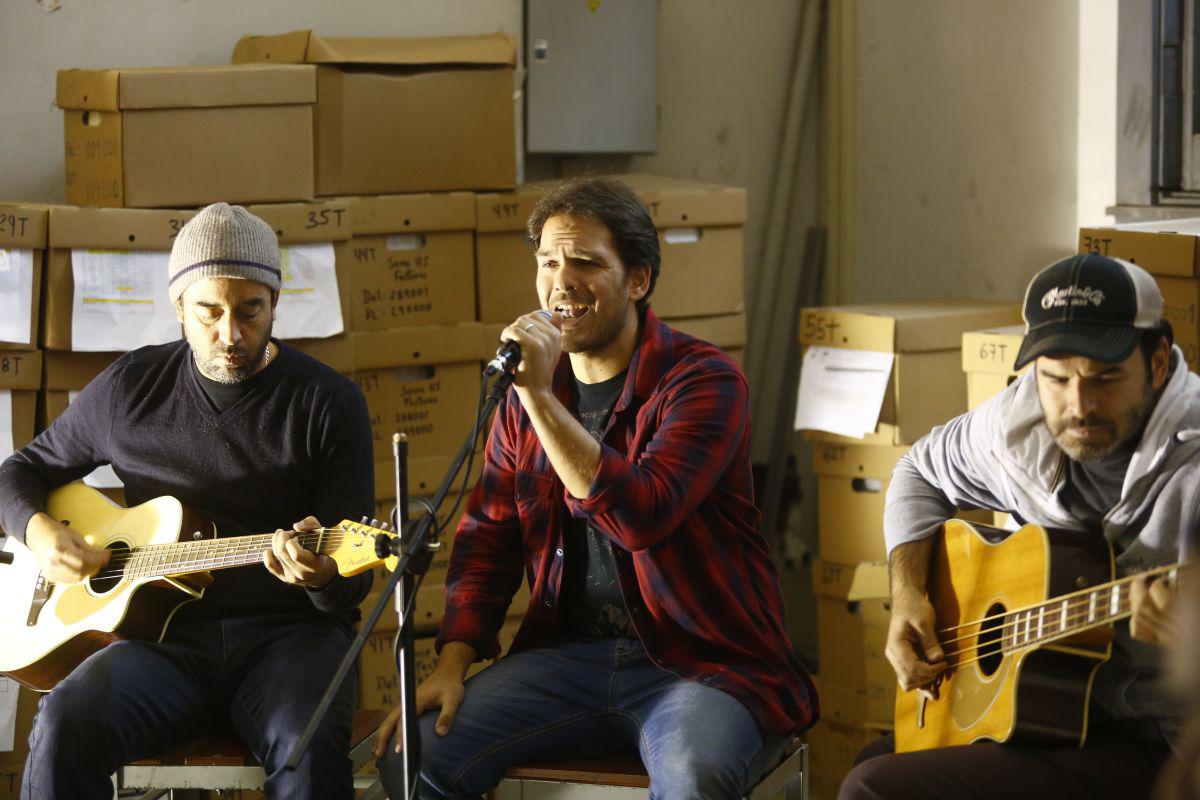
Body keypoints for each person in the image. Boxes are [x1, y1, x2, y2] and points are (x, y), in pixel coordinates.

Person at [374, 176, 815, 799]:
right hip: (568, 658)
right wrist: (452, 664)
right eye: (548, 262)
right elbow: (488, 539)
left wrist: (535, 395)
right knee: (411, 756)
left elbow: (640, 514)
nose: (561, 281)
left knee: (694, 776)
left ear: (637, 280)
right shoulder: (524, 400)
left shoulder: (705, 382)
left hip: (700, 665)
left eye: (585, 262)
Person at [0, 203, 374, 800]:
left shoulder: (327, 403)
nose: (231, 334)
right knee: (64, 720)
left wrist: (322, 575)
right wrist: (40, 531)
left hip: (288, 640)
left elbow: (352, 585)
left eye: (250, 310)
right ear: (179, 308)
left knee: (303, 745)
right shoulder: (130, 388)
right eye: (209, 312)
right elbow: (18, 472)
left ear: (275, 302)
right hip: (162, 645)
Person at [839, 253, 1195, 800]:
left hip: (1159, 740)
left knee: (876, 788)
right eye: (1056, 377)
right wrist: (908, 595)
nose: (1079, 405)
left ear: (1158, 364)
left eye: (1105, 379)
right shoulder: (1018, 420)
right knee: (876, 759)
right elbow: (917, 472)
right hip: (1048, 709)